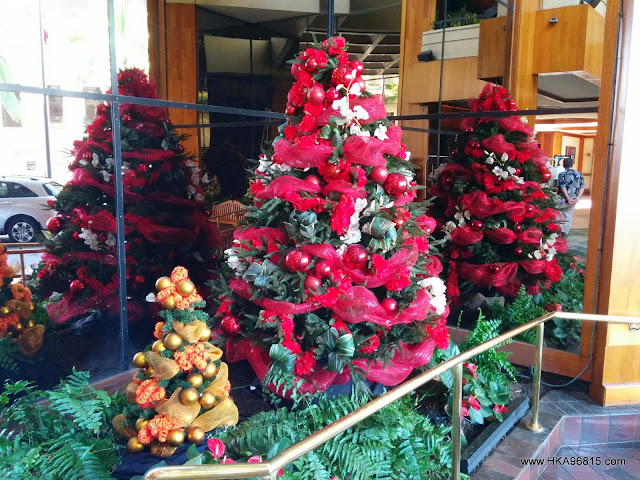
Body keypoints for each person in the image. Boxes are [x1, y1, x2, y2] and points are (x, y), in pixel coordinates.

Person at [556, 157, 584, 235]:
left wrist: (568, 198)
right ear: (572, 164)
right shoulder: (579, 174)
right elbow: (582, 187)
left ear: (564, 165)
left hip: (562, 199)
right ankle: (565, 234)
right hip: (574, 200)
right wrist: (577, 198)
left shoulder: (562, 174)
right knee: (568, 217)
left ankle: (557, 233)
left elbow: (562, 187)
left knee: (557, 216)